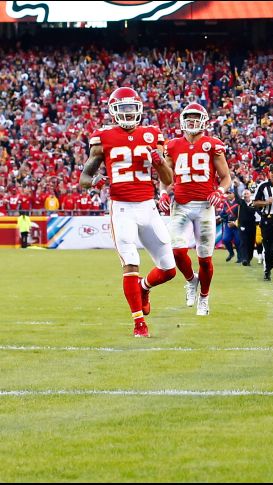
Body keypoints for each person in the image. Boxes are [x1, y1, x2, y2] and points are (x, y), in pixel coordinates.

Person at [79, 87, 176, 338]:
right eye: (122, 109)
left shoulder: (152, 135)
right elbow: (84, 177)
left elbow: (169, 178)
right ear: (113, 111)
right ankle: (139, 324)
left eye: (131, 108)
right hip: (121, 207)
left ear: (139, 109)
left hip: (148, 206)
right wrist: (98, 182)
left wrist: (159, 162)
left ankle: (144, 287)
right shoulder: (103, 138)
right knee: (131, 262)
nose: (128, 113)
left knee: (169, 269)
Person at [159, 103, 231, 316]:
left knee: (205, 258)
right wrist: (163, 192)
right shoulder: (172, 146)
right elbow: (165, 177)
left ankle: (204, 298)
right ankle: (191, 280)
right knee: (178, 251)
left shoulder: (213, 145)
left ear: (204, 120)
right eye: (188, 117)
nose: (191, 121)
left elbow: (226, 177)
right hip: (180, 204)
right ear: (182, 120)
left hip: (205, 205)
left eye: (195, 117)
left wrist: (220, 191)